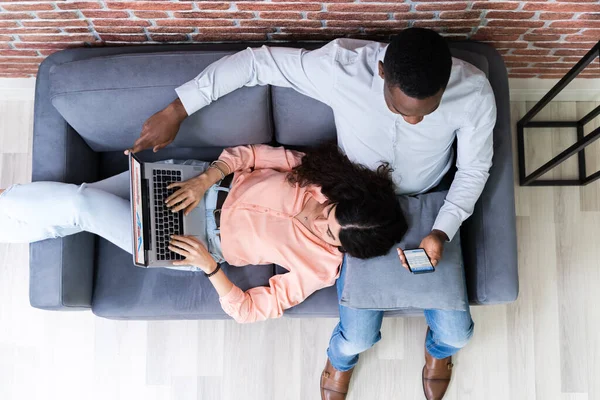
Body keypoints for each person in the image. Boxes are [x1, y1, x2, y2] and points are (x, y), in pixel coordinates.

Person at [125, 27, 496, 400]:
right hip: (352, 211)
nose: (414, 122)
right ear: (382, 73)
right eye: (402, 111)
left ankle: (439, 352)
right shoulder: (342, 69)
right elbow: (258, 62)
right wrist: (177, 109)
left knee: (458, 333)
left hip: (428, 204)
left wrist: (443, 230)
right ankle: (341, 359)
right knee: (358, 335)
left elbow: (473, 171)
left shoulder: (473, 91)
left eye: (426, 113)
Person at [0, 144, 407, 323]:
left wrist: (211, 268)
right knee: (78, 205)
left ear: (343, 249)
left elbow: (250, 311)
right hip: (189, 182)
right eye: (328, 212)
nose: (317, 222)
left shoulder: (321, 268)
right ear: (345, 195)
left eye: (329, 233)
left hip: (190, 243)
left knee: (81, 205)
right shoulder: (319, 174)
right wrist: (205, 178)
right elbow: (247, 155)